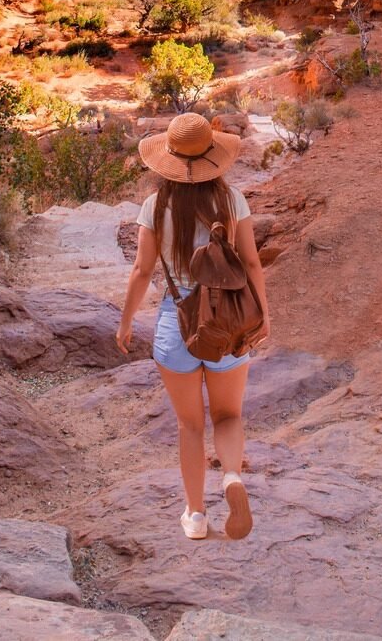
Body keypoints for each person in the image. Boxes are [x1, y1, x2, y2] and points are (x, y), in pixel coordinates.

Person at [116, 112, 270, 541]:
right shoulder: (232, 201)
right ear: (211, 156)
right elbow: (253, 263)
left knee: (190, 425)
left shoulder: (156, 206)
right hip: (228, 324)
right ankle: (233, 478)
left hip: (176, 323)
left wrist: (126, 321)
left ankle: (196, 516)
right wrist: (265, 315)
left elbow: (142, 271)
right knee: (228, 414)